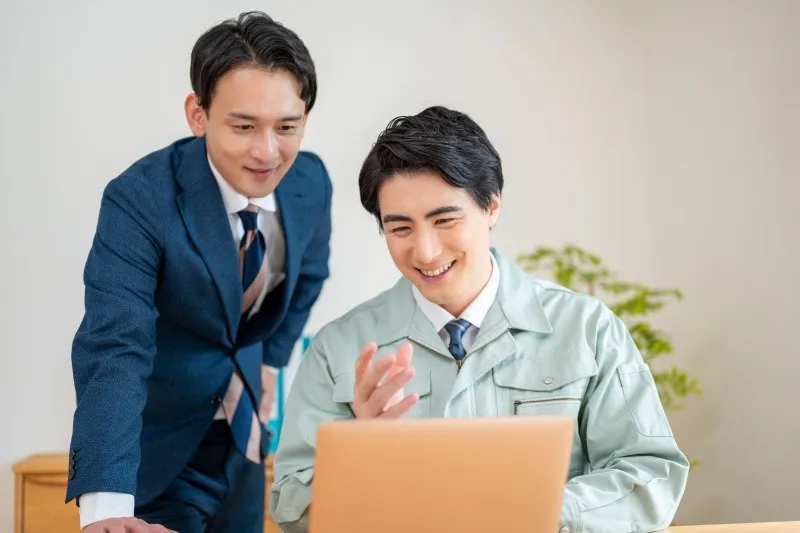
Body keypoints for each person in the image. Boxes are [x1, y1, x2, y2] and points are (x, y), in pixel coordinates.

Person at [269, 106, 689, 533]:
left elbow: (651, 474)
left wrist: (538, 513)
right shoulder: (338, 349)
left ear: (492, 206)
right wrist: (361, 460)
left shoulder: (587, 328)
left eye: (445, 220)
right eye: (401, 229)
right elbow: (291, 508)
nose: (426, 251)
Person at [65, 11, 332, 533]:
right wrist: (108, 509)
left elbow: (309, 276)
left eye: (287, 127)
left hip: (245, 443)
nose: (267, 152)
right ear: (198, 114)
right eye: (244, 126)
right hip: (157, 456)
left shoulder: (310, 183)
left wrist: (270, 362)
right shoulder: (139, 199)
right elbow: (115, 345)